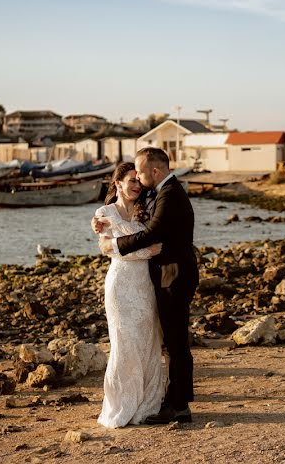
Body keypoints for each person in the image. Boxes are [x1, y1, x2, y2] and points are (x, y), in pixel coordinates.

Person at [95, 147, 198, 424]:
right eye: (133, 177)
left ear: (154, 171)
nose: (138, 180)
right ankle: (169, 400)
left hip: (172, 277)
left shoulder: (170, 195)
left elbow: (152, 235)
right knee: (164, 341)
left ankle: (178, 406)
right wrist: (106, 230)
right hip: (153, 278)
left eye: (140, 173)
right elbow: (141, 230)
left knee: (174, 343)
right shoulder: (157, 194)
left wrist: (113, 244)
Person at [94, 162, 166, 428]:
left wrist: (120, 246)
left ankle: (147, 405)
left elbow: (117, 246)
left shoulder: (144, 212)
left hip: (144, 285)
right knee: (124, 343)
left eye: (139, 181)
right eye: (131, 180)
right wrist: (145, 252)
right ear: (118, 183)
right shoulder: (104, 213)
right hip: (120, 285)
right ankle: (121, 403)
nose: (137, 185)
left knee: (147, 342)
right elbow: (106, 248)